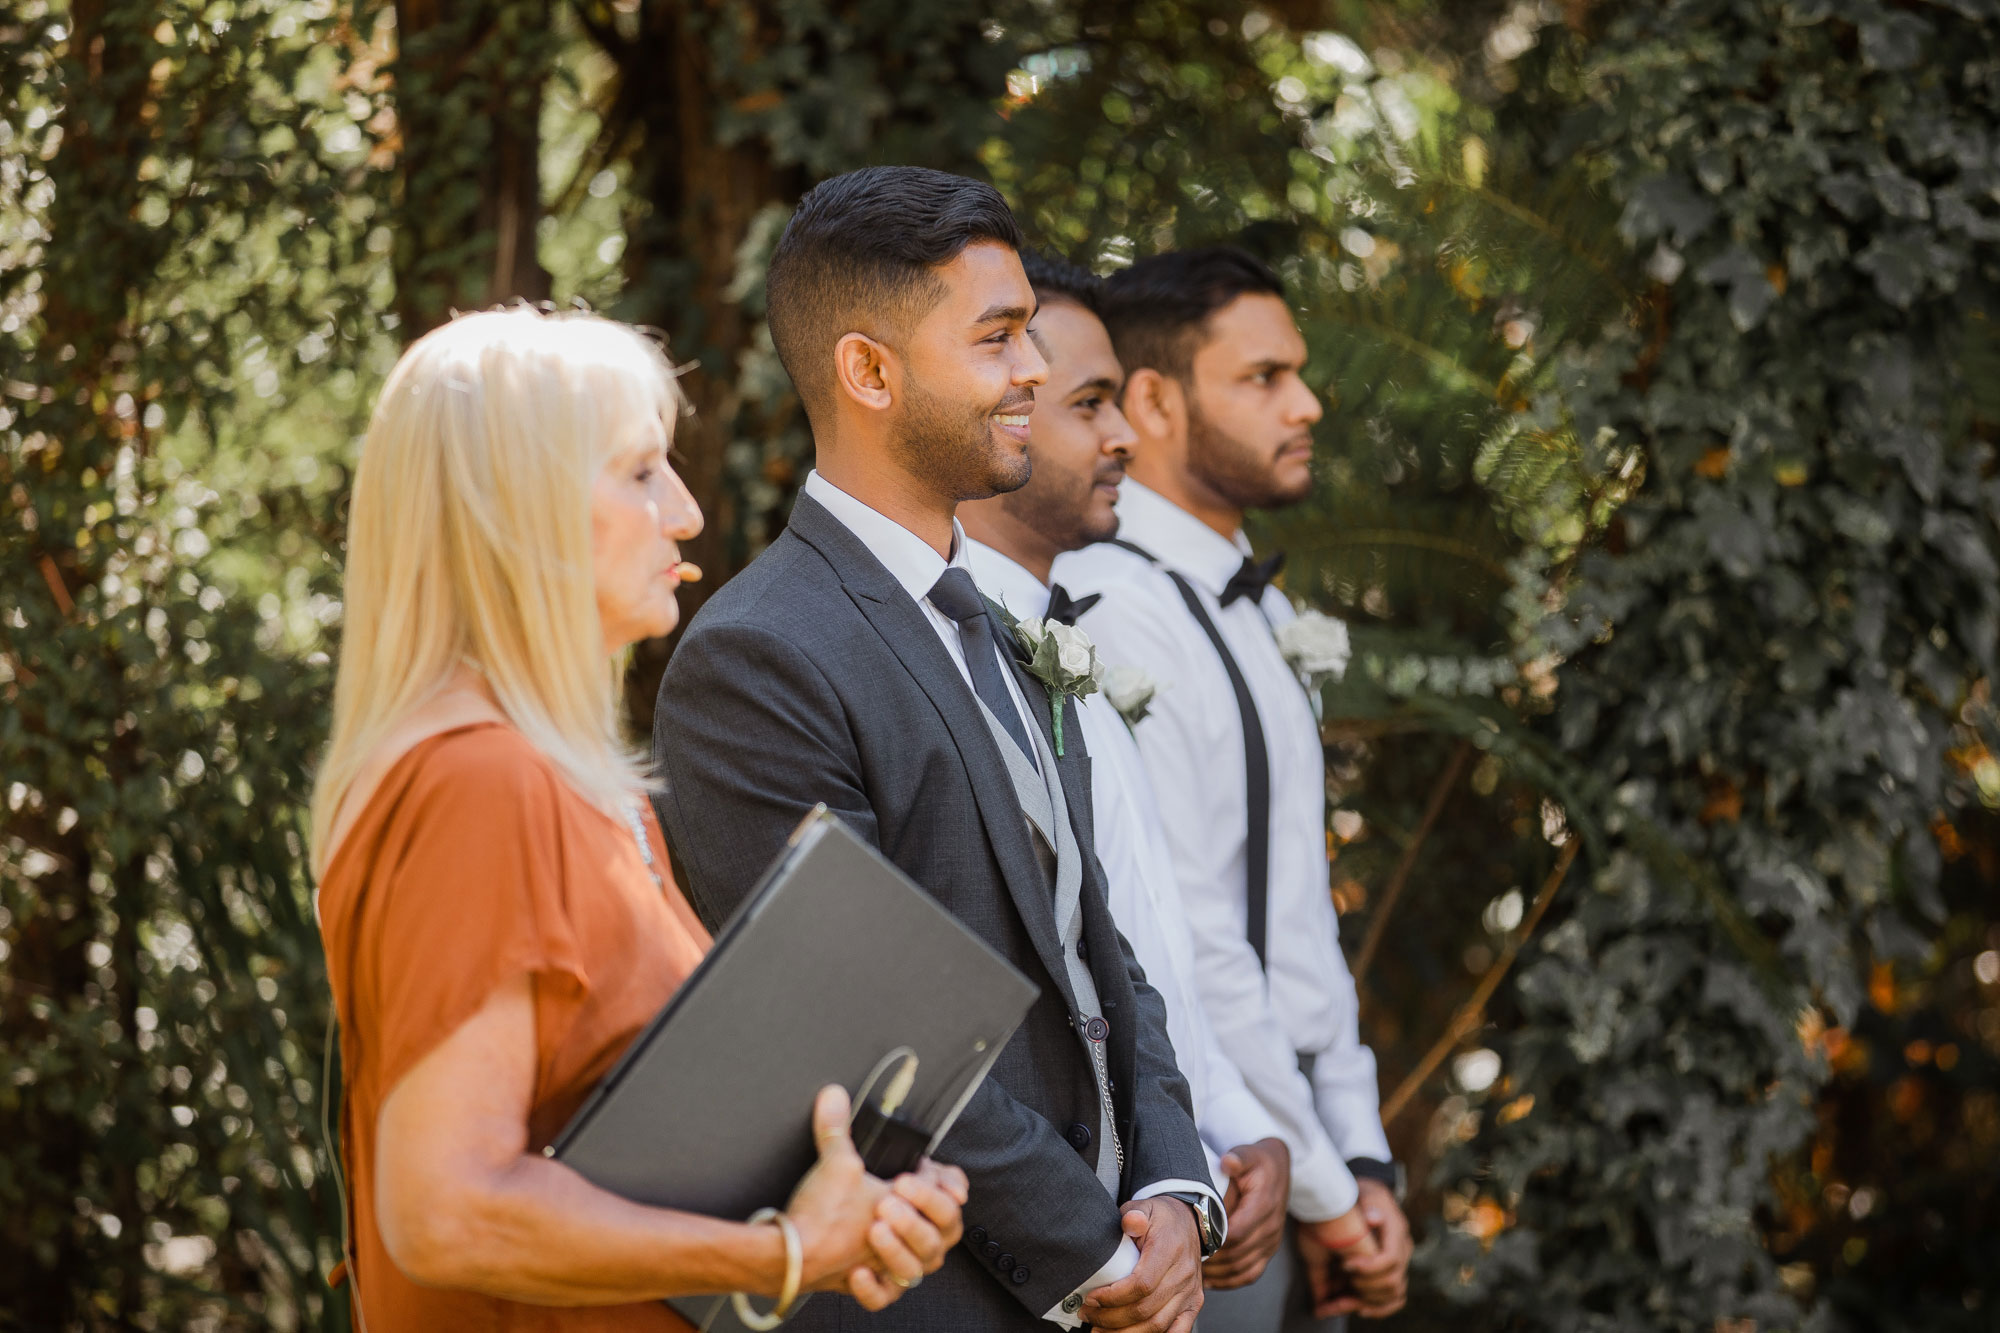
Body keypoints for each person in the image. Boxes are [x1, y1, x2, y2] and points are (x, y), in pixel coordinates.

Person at [309, 307, 965, 1333]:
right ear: (511, 510)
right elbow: (445, 1212)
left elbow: (624, 1151)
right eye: (640, 471)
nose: (688, 512)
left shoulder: (577, 789)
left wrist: (849, 1204)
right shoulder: (481, 785)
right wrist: (783, 1253)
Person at [653, 167, 1215, 1333]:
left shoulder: (995, 619)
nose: (1034, 373)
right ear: (868, 371)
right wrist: (1094, 1257)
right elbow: (869, 1019)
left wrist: (1169, 1180)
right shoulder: (757, 657)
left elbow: (1089, 939)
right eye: (999, 337)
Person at [956, 252, 1318, 1330]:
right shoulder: (969, 661)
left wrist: (1229, 1139)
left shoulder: (1073, 645)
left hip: (1193, 1192)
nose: (1122, 439)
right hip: (1090, 1246)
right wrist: (1119, 1222)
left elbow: (1153, 944)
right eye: (1088, 405)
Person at [1056, 248, 1413, 1325]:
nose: (1304, 402)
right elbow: (1190, 934)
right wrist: (1318, 1183)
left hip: (1305, 1160)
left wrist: (1361, 1149)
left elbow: (1298, 917)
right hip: (1220, 1183)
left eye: (1296, 371)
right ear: (1155, 400)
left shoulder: (1248, 601)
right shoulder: (1111, 607)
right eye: (1261, 377)